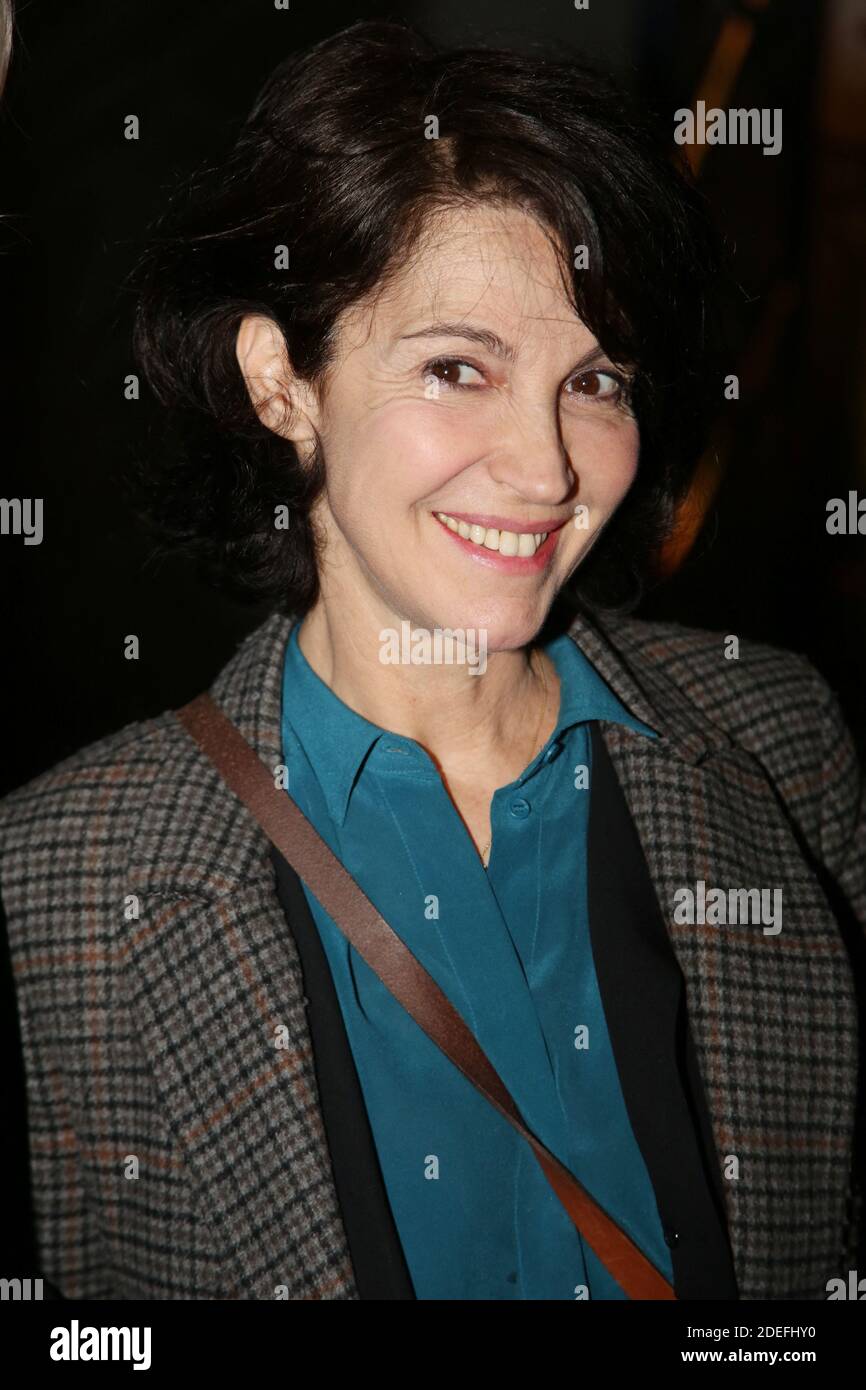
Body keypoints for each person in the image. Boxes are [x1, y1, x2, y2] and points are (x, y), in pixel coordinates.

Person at [2, 18, 863, 1302]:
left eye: (596, 382)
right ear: (281, 381)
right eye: (457, 367)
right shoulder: (58, 881)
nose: (546, 469)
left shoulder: (779, 739)